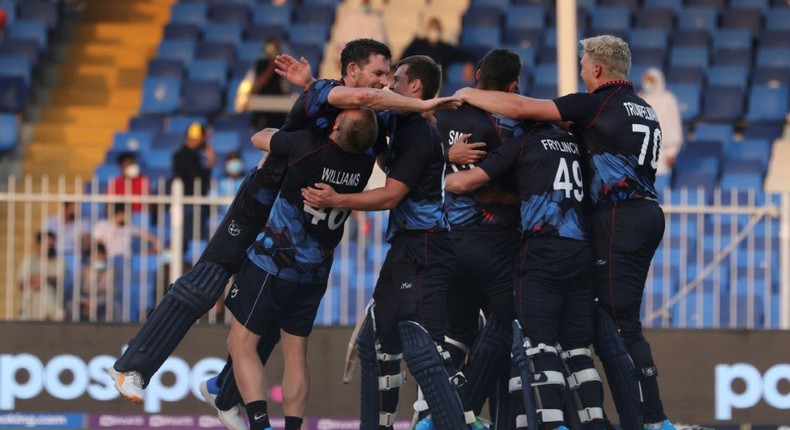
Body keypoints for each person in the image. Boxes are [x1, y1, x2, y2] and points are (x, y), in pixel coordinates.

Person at [109, 38, 456, 426]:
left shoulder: (376, 120)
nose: (385, 82)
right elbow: (369, 101)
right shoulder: (325, 91)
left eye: (391, 76)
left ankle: (224, 393)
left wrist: (442, 152)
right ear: (353, 71)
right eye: (378, 73)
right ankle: (134, 368)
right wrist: (422, 104)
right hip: (262, 199)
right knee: (205, 284)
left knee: (269, 319)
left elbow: (393, 149)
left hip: (302, 223)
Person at [454, 34, 673, 430]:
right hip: (647, 212)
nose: (580, 71)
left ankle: (652, 420)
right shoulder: (644, 108)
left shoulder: (594, 103)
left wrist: (470, 92)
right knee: (600, 326)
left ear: (596, 69)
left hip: (615, 218)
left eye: (583, 64)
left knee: (618, 326)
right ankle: (608, 418)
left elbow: (520, 106)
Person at [301, 55, 481, 429]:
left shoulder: (420, 133)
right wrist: (310, 82)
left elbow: (390, 196)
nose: (387, 84)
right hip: (406, 245)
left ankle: (462, 419)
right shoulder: (399, 119)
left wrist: (337, 199)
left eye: (395, 78)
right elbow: (366, 111)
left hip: (427, 247)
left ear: (415, 87)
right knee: (377, 343)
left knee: (426, 346)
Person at [444, 119, 608, 430]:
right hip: (580, 252)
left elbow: (463, 184)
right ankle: (594, 423)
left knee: (539, 346)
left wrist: (435, 173)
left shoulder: (525, 143)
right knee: (577, 351)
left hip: (543, 251)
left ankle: (551, 425)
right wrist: (508, 198)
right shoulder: (579, 146)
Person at [225, 108, 380, 430]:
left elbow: (259, 139)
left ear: (335, 125)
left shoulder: (307, 146)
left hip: (273, 263)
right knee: (296, 353)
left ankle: (259, 424)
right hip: (316, 270)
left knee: (241, 343)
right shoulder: (365, 160)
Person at [430, 48, 524, 426]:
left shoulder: (440, 114)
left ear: (479, 72)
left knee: (455, 336)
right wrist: (505, 197)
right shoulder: (512, 123)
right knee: (505, 327)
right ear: (514, 85)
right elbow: (527, 185)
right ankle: (469, 414)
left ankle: (432, 416)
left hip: (449, 242)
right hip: (496, 242)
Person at [172, 122, 216, 250]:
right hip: (189, 204)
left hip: (196, 203)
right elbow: (198, 179)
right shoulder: (182, 156)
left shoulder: (194, 155)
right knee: (188, 241)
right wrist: (209, 163)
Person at [235, 37, 290, 130]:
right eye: (270, 48)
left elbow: (288, 87)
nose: (273, 51)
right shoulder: (260, 64)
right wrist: (272, 64)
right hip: (262, 108)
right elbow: (260, 82)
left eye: (275, 48)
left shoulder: (284, 66)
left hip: (279, 108)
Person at [401, 17, 474, 84]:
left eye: (436, 29)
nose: (434, 31)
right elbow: (403, 59)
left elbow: (464, 56)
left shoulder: (446, 48)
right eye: (432, 28)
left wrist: (469, 64)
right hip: (416, 81)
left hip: (436, 83)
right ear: (427, 29)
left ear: (440, 30)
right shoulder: (417, 44)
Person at [639, 68, 683, 177]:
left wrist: (672, 152)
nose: (647, 84)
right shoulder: (640, 98)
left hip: (662, 152)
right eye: (645, 81)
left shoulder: (668, 99)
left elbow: (674, 126)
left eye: (650, 81)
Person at [16, 231, 66, 321]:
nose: (49, 248)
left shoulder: (59, 262)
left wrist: (44, 278)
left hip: (49, 300)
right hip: (31, 301)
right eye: (46, 244)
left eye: (51, 245)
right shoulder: (28, 262)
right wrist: (34, 280)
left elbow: (58, 280)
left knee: (46, 288)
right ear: (38, 245)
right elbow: (20, 284)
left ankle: (54, 315)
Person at [78, 243, 110, 322]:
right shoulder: (84, 271)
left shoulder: (111, 271)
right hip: (85, 299)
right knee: (71, 305)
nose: (99, 259)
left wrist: (96, 302)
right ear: (90, 257)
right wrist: (87, 301)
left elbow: (111, 292)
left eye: (101, 256)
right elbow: (77, 291)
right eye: (96, 256)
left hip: (103, 300)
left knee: (114, 307)